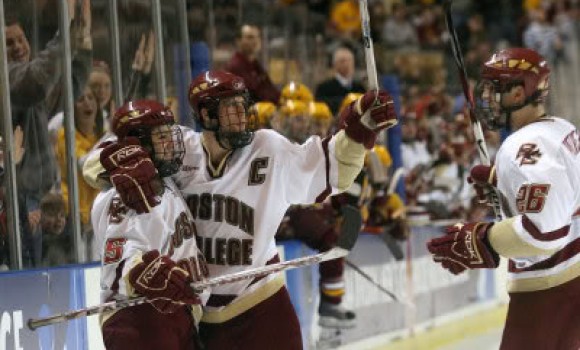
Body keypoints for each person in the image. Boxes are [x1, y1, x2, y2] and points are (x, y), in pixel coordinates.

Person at [84, 70, 398, 349]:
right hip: (201, 317)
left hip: (260, 305)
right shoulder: (176, 148)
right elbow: (96, 160)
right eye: (230, 107)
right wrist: (119, 165)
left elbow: (333, 171)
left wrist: (360, 130)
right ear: (206, 114)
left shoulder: (268, 147)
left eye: (242, 104)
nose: (242, 113)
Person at [426, 48, 580, 349]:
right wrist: (503, 185)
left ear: (520, 93)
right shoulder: (562, 129)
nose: (488, 99)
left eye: (496, 89)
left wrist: (482, 238)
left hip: (550, 291)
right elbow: (564, 198)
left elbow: (543, 232)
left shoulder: (524, 145)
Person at [91, 100, 207, 350]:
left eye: (169, 135)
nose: (170, 145)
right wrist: (140, 272)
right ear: (138, 142)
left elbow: (94, 162)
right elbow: (119, 260)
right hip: (140, 320)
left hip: (174, 315)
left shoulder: (163, 179)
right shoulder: (127, 191)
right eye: (161, 137)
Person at [6, 0, 92, 267]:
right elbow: (39, 81)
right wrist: (64, 34)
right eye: (9, 43)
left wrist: (83, 43)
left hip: (46, 200)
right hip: (19, 205)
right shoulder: (8, 80)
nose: (19, 46)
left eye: (21, 39)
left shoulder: (26, 82)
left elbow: (69, 89)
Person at [225, 24, 280, 103]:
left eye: (258, 37)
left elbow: (271, 90)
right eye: (250, 37)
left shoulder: (256, 65)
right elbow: (252, 96)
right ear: (238, 41)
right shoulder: (235, 67)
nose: (255, 41)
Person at [315, 46, 366, 115]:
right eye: (343, 61)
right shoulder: (324, 88)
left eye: (350, 60)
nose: (347, 64)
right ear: (335, 64)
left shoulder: (360, 87)